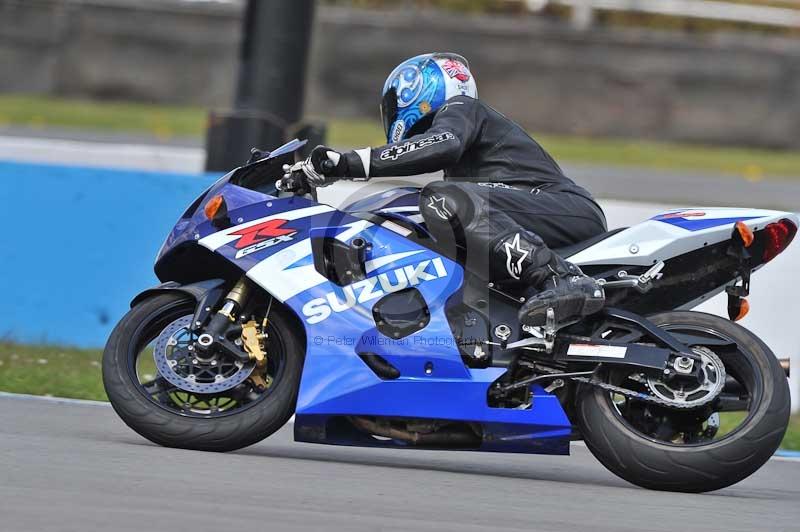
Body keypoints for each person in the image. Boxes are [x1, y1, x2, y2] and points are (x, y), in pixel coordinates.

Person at [291, 52, 607, 329]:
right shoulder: (463, 176)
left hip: (563, 206)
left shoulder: (462, 108)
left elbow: (444, 143)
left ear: (418, 88)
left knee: (441, 197)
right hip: (535, 212)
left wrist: (347, 164)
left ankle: (564, 279)